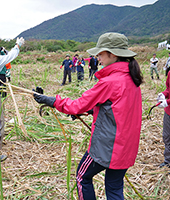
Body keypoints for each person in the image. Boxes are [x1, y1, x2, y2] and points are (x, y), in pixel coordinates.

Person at [33, 32, 143, 200]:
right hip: (126, 146)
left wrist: (51, 100)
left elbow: (77, 105)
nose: (97, 57)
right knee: (114, 188)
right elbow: (118, 108)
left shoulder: (110, 81)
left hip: (108, 147)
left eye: (100, 53)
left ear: (112, 54)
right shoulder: (130, 78)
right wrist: (92, 111)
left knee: (82, 177)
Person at [156, 70, 170, 168]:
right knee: (167, 136)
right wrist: (163, 94)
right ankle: (168, 161)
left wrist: (168, 101)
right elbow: (168, 89)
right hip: (169, 112)